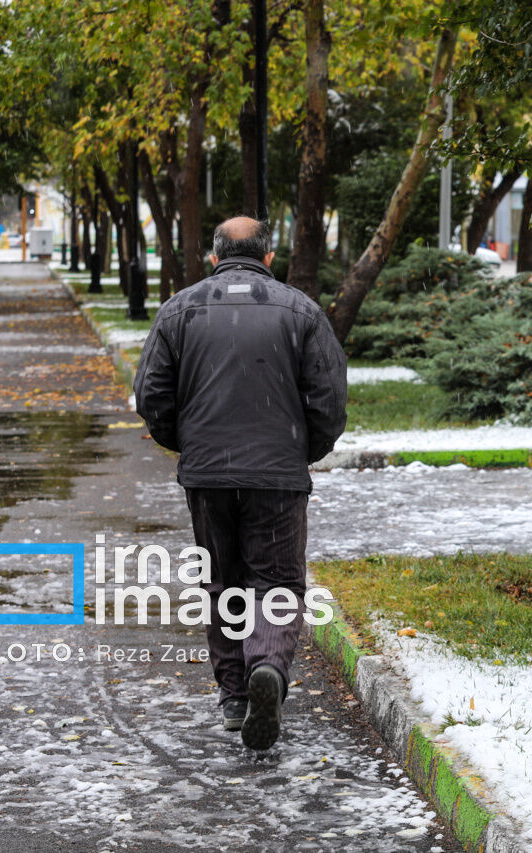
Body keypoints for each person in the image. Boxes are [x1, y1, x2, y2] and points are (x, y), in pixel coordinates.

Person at [134, 217, 347, 750]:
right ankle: (268, 669)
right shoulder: (300, 311)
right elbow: (329, 400)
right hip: (276, 473)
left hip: (207, 474)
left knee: (221, 582)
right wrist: (302, 451)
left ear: (214, 257)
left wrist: (189, 445)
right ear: (268, 257)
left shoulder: (179, 310)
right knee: (275, 582)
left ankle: (234, 698)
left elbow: (151, 395)